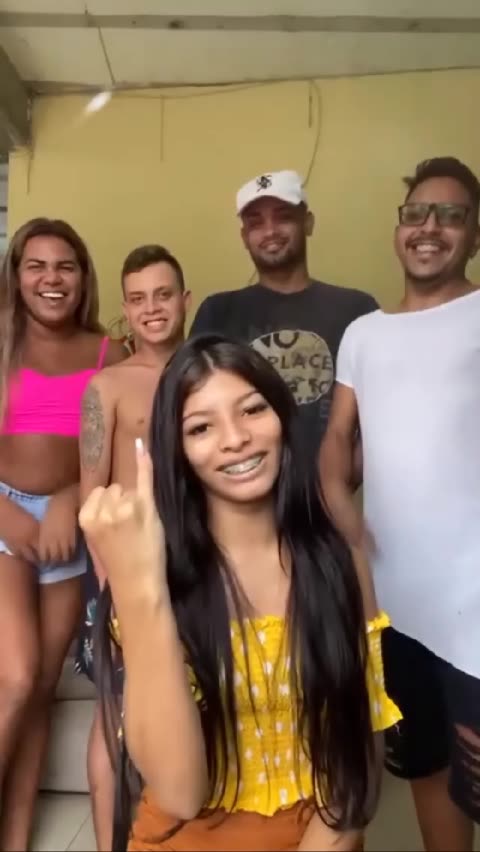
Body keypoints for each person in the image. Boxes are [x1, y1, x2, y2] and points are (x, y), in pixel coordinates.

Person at [79, 335, 401, 851]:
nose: (235, 439)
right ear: (175, 451)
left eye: (252, 409)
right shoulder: (153, 579)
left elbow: (358, 761)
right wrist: (141, 589)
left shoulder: (338, 559)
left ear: (283, 418)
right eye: (200, 427)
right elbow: (180, 793)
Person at [320, 157, 480, 852]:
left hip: (475, 603)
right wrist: (337, 500)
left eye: (451, 215)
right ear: (398, 229)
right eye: (416, 213)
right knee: (427, 770)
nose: (429, 227)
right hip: (394, 605)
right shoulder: (365, 334)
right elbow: (338, 439)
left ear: (474, 234)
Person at [0, 217, 126, 851]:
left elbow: (120, 457)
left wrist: (69, 498)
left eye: (65, 266)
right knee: (17, 678)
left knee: (42, 692)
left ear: (83, 277)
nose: (51, 279)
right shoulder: (1, 341)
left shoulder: (109, 353)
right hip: (3, 520)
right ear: (16, 275)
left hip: (69, 532)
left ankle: (15, 839)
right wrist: (10, 514)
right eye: (37, 265)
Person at [76, 244, 191, 851]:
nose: (152, 309)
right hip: (125, 575)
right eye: (139, 299)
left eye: (163, 295)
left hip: (195, 571)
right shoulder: (109, 386)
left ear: (185, 300)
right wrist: (110, 587)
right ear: (125, 308)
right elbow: (90, 498)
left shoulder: (208, 374)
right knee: (115, 717)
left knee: (180, 715)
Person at [189, 170, 378, 469]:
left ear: (308, 222)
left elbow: (380, 418)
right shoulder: (218, 312)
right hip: (244, 487)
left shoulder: (357, 310)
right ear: (244, 237)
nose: (270, 231)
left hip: (332, 492)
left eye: (283, 217)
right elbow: (195, 414)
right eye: (256, 223)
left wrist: (339, 483)